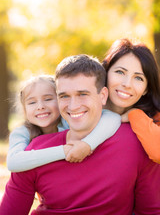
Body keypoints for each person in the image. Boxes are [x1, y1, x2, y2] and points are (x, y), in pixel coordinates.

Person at [1, 54, 160, 215]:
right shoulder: (35, 152)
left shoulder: (136, 143)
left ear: (103, 95)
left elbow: (150, 211)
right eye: (64, 96)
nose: (73, 105)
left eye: (83, 94)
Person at [7, 74, 121, 172]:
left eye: (48, 99)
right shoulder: (22, 132)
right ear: (24, 109)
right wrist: (65, 150)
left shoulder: (69, 121)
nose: (40, 107)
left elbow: (113, 117)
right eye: (32, 102)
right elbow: (13, 162)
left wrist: (87, 144)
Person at [102, 38, 160, 163]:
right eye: (120, 72)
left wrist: (134, 115)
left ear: (146, 88)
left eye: (138, 78)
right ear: (106, 72)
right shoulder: (84, 106)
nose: (127, 84)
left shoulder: (154, 119)